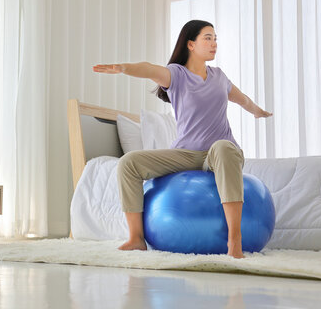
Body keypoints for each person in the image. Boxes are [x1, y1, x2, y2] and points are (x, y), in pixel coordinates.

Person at [92, 20, 272, 259]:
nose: (214, 43)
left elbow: (243, 99)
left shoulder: (219, 77)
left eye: (215, 38)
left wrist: (257, 111)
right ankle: (136, 238)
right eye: (208, 38)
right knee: (129, 163)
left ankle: (234, 240)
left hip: (221, 153)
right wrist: (123, 67)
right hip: (186, 154)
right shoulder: (176, 75)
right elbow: (148, 69)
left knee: (222, 147)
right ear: (190, 44)